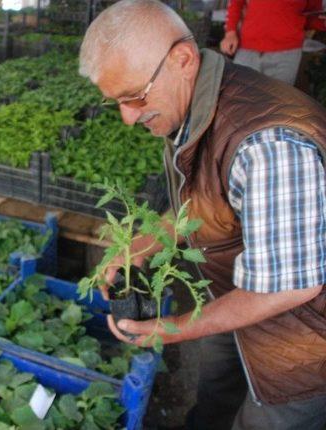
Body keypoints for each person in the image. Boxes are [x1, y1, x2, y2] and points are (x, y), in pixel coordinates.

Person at [79, 0, 326, 429]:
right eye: (116, 102)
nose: (127, 117)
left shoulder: (268, 145)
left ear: (183, 60)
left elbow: (288, 288)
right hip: (235, 289)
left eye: (134, 97)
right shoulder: (193, 103)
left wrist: (175, 329)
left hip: (303, 344)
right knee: (215, 393)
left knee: (268, 419)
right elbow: (205, 198)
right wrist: (147, 240)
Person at [220, 0, 326, 85]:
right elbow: (236, 3)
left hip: (287, 53)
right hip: (248, 48)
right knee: (238, 98)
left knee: (277, 103)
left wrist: (322, 24)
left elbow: (311, 16)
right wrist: (230, 32)